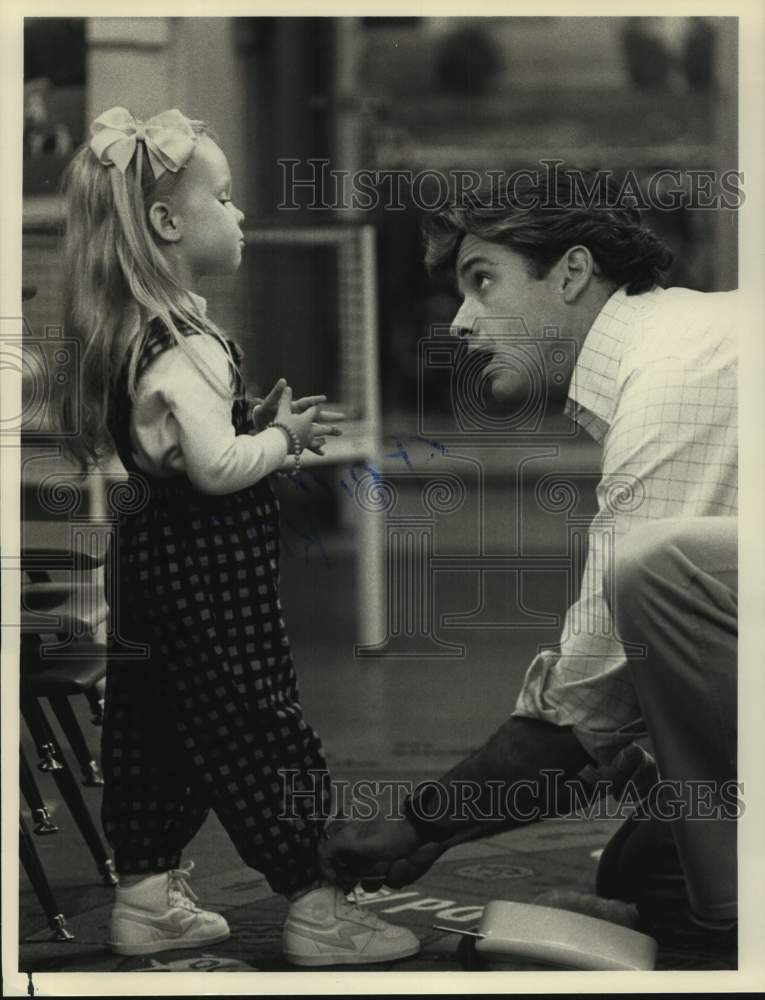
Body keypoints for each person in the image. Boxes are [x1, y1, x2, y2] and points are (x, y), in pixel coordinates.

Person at [319, 169, 738, 948]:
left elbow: (582, 706)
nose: (459, 322)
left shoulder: (673, 382)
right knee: (643, 859)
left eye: (482, 282)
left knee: (651, 571)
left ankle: (727, 941)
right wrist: (445, 828)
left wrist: (416, 823)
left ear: (572, 272)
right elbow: (611, 713)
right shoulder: (682, 341)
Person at [57, 106, 420, 966]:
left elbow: (176, 446)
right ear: (167, 222)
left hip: (150, 565)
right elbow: (217, 468)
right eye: (223, 198)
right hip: (210, 573)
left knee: (156, 727)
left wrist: (253, 421)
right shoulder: (189, 343)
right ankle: (318, 910)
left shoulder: (136, 327)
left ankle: (145, 900)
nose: (240, 212)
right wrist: (279, 440)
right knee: (258, 727)